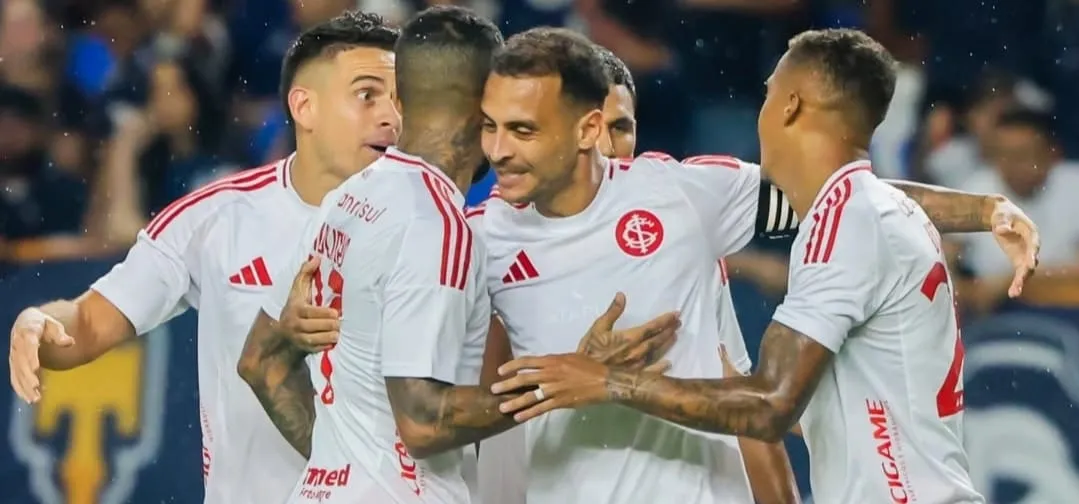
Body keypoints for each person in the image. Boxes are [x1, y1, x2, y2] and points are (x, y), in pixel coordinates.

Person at [474, 27, 1037, 504]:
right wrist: (988, 210)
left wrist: (605, 380)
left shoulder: (693, 199)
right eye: (489, 127)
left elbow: (765, 406)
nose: (499, 149)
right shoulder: (480, 237)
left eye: (522, 129)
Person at [236, 7, 679, 503]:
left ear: (401, 98)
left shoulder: (343, 202)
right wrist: (567, 376)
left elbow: (262, 363)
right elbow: (423, 422)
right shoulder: (438, 224)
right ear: (484, 105)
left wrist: (345, 463)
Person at [7, 11, 400, 503]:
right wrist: (38, 323)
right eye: (368, 95)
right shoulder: (216, 218)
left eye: (399, 98)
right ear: (304, 107)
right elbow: (88, 321)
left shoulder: (434, 226)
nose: (391, 115)